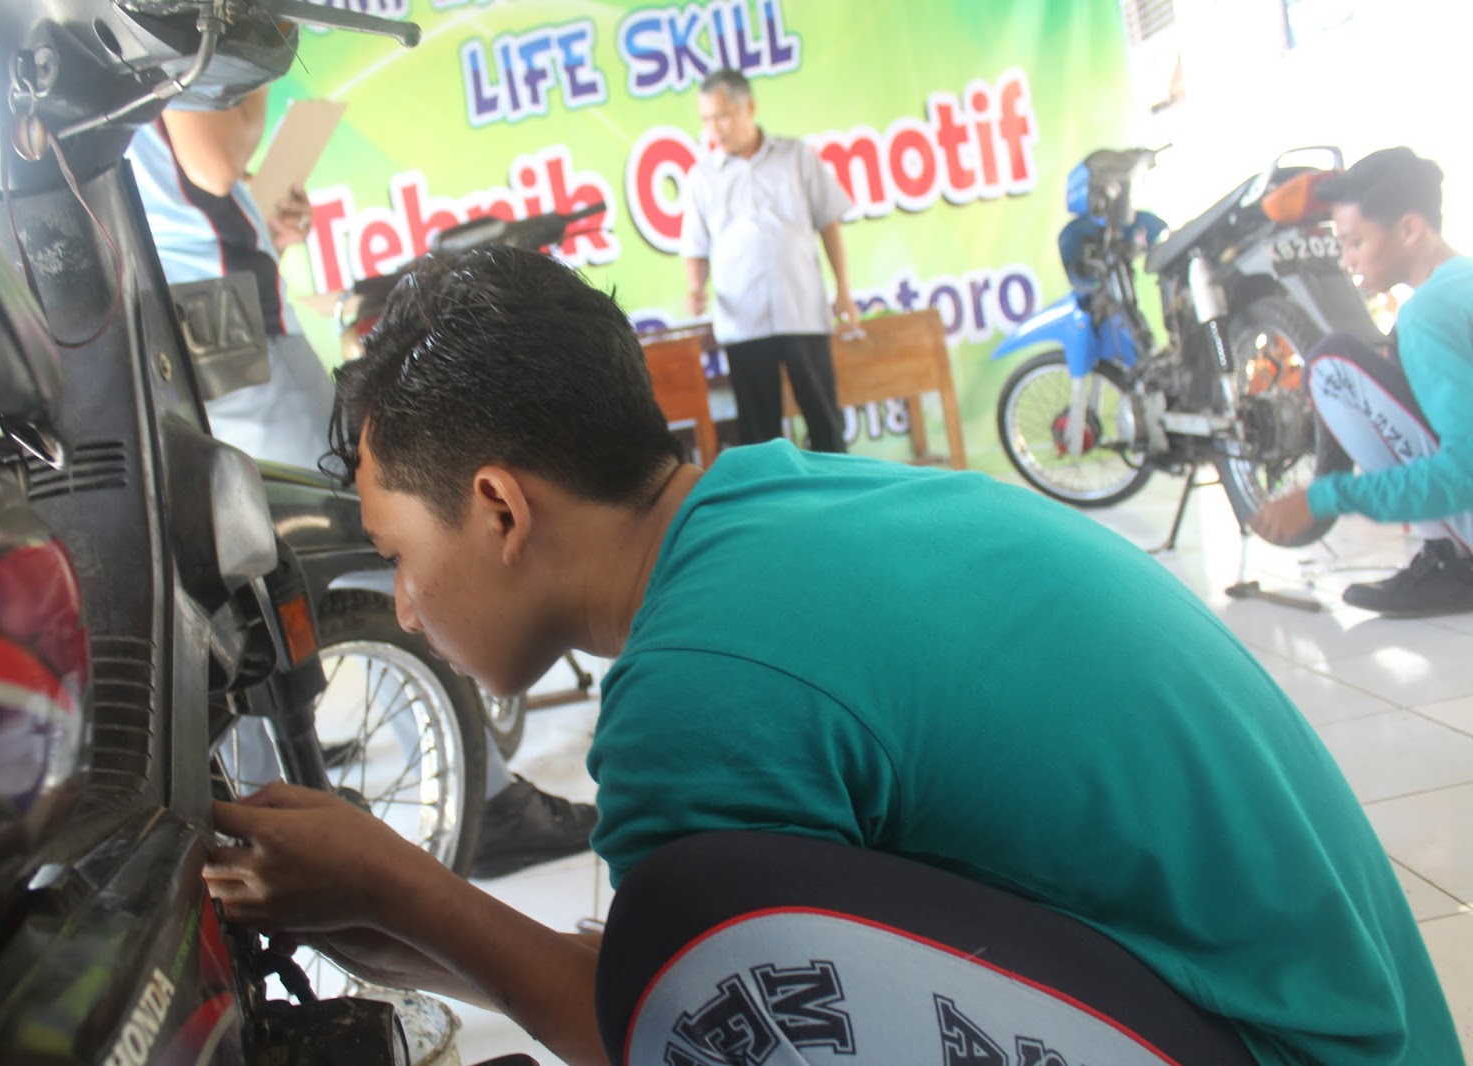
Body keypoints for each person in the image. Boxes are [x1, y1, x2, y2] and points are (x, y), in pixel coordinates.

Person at [202, 245, 1459, 1066]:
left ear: (497, 507)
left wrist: (404, 884)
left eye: (396, 552)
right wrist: (385, 904)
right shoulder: (768, 502)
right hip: (1351, 1021)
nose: (403, 606)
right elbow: (654, 973)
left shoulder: (697, 690)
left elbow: (660, 1018)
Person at [127, 89, 596, 879]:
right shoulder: (168, 48)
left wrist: (255, 210)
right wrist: (254, 87)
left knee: (230, 589)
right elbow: (211, 159)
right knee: (384, 540)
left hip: (177, 332)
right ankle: (487, 807)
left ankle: (259, 805)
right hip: (224, 334)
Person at [1252, 147, 1473, 617]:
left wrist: (1322, 498)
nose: (1347, 261)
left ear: (1409, 229)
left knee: (1332, 366)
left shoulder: (1428, 314)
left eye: (1355, 243)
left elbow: (1466, 472)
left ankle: (1452, 563)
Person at [680, 68, 858, 452]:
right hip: (744, 319)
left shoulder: (796, 156)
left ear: (749, 107)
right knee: (760, 434)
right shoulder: (701, 177)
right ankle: (776, 493)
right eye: (706, 119)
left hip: (802, 309)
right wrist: (696, 288)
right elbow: (695, 246)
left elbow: (828, 222)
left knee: (825, 419)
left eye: (723, 115)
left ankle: (837, 486)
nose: (715, 128)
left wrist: (843, 289)